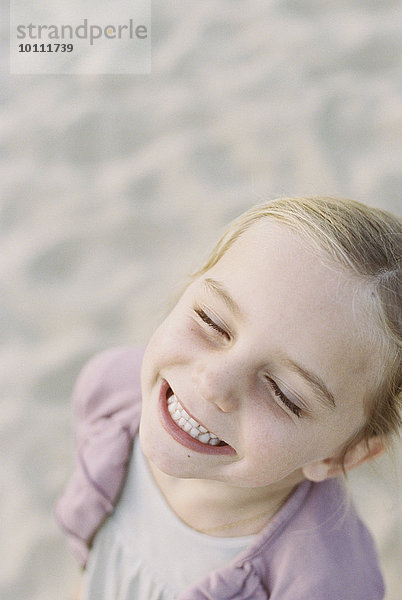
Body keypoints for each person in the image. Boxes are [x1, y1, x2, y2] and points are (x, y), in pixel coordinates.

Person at [55, 196, 401, 600]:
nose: (213, 383)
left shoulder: (328, 583)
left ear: (344, 455)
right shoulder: (111, 392)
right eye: (211, 322)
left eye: (283, 394)